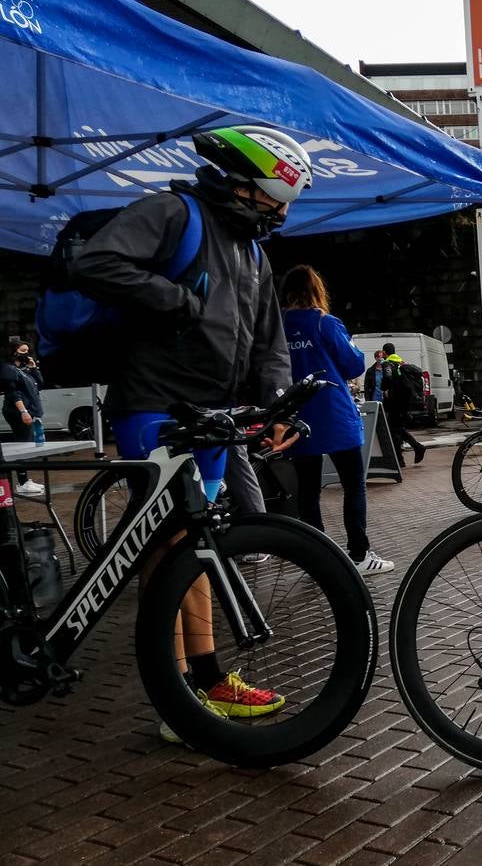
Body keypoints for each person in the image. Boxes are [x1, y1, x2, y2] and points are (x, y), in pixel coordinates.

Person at [71, 124, 314, 741]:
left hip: (214, 416)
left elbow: (269, 343)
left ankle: (203, 681)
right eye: (274, 197)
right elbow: (96, 261)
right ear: (239, 184)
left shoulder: (253, 252)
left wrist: (277, 407)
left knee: (190, 548)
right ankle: (180, 695)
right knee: (169, 547)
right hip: (154, 404)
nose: (281, 212)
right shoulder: (173, 213)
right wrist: (172, 300)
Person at [280, 266, 393, 576]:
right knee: (353, 486)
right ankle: (359, 553)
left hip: (296, 417)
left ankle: (317, 557)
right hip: (334, 414)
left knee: (308, 490)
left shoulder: (278, 326)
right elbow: (354, 363)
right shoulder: (324, 322)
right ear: (316, 290)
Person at [1, 341, 45, 495]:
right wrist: (23, 411)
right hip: (17, 411)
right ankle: (22, 481)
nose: (26, 353)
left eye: (28, 350)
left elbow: (39, 384)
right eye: (22, 351)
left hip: (30, 410)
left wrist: (34, 369)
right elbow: (12, 392)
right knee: (23, 444)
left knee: (27, 443)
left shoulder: (23, 370)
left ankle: (24, 480)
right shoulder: (8, 369)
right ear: (14, 352)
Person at [380, 342, 427, 466]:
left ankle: (400, 459)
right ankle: (416, 448)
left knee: (394, 429)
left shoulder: (387, 363)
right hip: (404, 401)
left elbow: (387, 377)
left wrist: (385, 388)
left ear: (385, 352)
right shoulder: (401, 363)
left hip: (394, 402)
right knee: (397, 428)